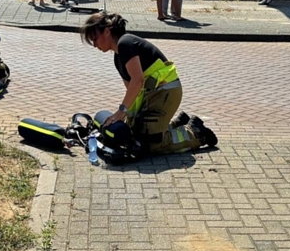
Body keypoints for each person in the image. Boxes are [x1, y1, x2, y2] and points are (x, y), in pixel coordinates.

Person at [81, 12, 217, 155]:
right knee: (137, 134)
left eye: (94, 39)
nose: (94, 45)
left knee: (151, 145)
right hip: (156, 94)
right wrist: (129, 121)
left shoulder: (125, 43)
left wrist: (121, 111)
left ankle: (196, 133)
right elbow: (133, 92)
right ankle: (176, 124)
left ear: (107, 31)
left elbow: (138, 80)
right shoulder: (118, 58)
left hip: (165, 92)